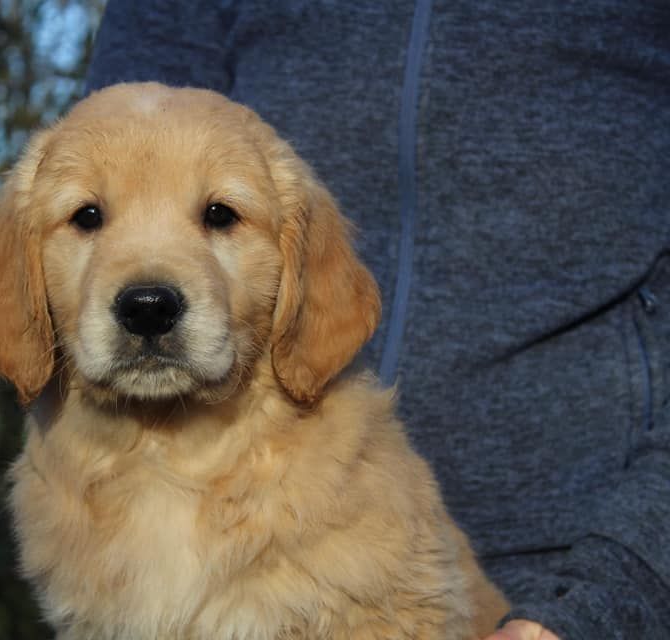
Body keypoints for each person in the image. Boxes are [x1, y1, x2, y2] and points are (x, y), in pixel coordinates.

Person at [83, 2, 670, 639]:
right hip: (221, 555)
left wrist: (612, 592)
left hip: (600, 552)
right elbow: (104, 190)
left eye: (220, 215)